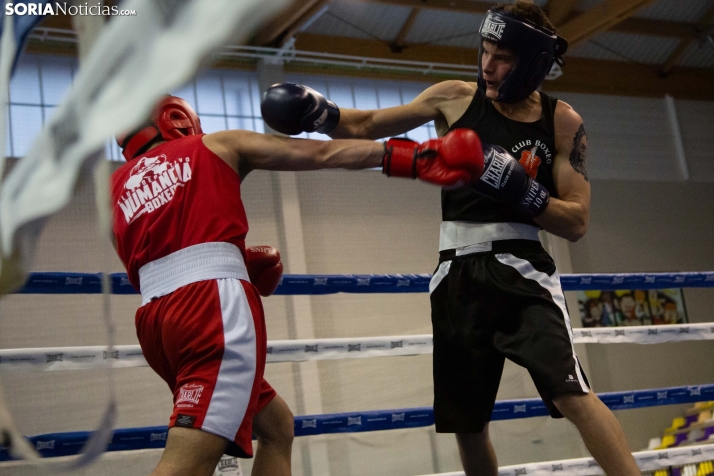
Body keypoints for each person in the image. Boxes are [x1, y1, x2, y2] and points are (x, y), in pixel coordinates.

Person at [260, 1, 641, 474]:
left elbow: (576, 222)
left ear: (534, 63)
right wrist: (318, 113)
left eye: (501, 56)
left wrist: (520, 188)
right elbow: (363, 126)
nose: (487, 65)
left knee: (571, 393)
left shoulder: (561, 121)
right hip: (455, 270)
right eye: (484, 50)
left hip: (522, 270)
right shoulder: (454, 97)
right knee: (467, 421)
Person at [111, 95, 485, 476]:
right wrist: (415, 156)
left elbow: (145, 266)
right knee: (185, 464)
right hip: (210, 310)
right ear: (177, 119)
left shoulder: (114, 190)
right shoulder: (215, 144)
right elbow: (321, 154)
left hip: (156, 324)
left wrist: (233, 261)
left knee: (277, 427)